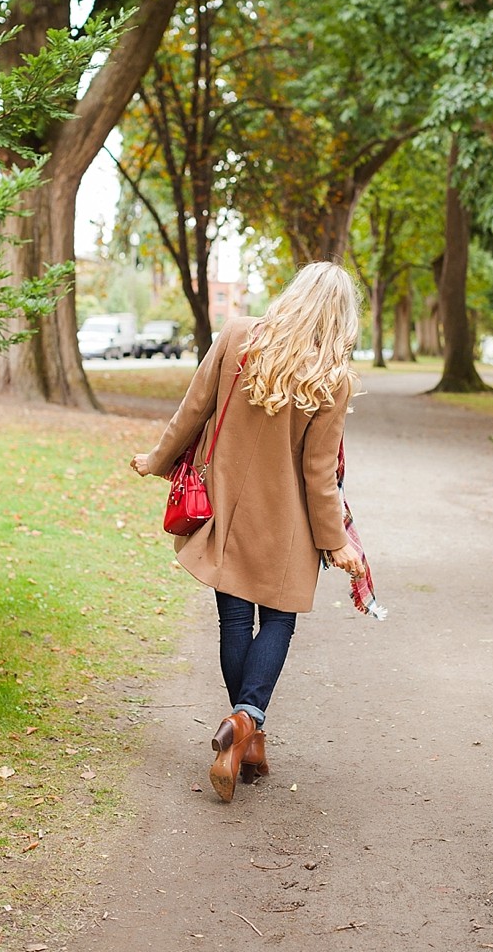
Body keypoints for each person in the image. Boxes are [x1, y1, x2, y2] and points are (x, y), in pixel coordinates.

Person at [129, 262, 364, 802]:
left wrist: (156, 459)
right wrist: (336, 541)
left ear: (294, 296)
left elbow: (194, 409)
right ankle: (246, 723)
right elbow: (318, 473)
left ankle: (243, 737)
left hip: (228, 509)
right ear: (342, 318)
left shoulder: (238, 336)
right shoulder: (333, 379)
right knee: (277, 622)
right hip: (290, 524)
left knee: (234, 618)